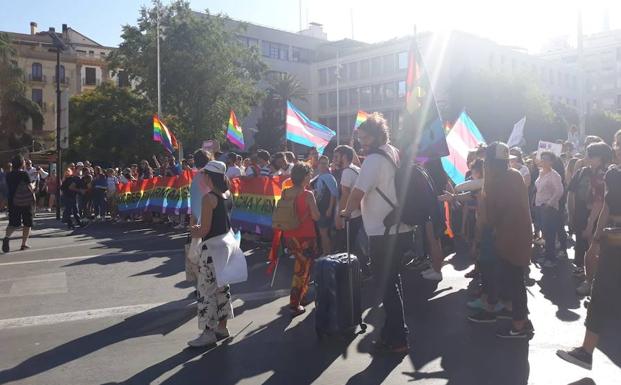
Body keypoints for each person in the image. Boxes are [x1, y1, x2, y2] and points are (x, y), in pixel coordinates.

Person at [342, 113, 414, 354]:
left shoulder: (373, 159)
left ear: (374, 136)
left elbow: (358, 191)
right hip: (400, 226)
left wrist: (345, 212)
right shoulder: (392, 151)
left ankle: (399, 337)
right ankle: (392, 332)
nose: (361, 141)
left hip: (383, 231)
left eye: (363, 137)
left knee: (386, 285)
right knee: (392, 281)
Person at [557, 165, 621, 370]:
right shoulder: (613, 174)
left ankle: (586, 352)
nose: (619, 149)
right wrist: (595, 239)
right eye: (617, 144)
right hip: (614, 240)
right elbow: (606, 207)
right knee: (600, 293)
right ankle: (586, 352)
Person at [469, 142, 534, 338]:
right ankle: (512, 313)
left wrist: (482, 201)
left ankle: (519, 325)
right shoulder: (514, 175)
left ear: (490, 163)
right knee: (514, 279)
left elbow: (489, 218)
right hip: (520, 236)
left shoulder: (497, 182)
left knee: (514, 280)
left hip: (508, 239)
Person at [188, 160, 234, 347]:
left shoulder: (209, 198)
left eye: (204, 174)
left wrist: (192, 228)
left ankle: (208, 332)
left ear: (209, 176)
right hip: (225, 246)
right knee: (223, 288)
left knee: (206, 290)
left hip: (211, 249)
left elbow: (204, 230)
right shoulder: (228, 194)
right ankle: (222, 327)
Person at [568, 142, 613, 295]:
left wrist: (590, 224)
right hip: (599, 217)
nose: (586, 157)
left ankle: (592, 285)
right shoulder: (597, 172)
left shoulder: (602, 174)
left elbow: (600, 202)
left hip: (601, 219)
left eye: (589, 154)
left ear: (599, 157)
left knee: (593, 252)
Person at [282, 162, 321, 316]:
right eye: (310, 174)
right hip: (306, 235)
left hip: (290, 235)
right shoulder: (308, 195)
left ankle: (301, 297)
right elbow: (316, 216)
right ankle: (295, 302)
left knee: (300, 267)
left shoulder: (286, 192)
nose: (311, 177)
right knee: (302, 270)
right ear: (305, 177)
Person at [333, 145, 365, 266]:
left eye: (336, 156)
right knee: (356, 246)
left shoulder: (346, 172)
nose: (334, 159)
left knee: (350, 248)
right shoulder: (355, 168)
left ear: (345, 157)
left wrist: (339, 216)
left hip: (351, 216)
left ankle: (356, 275)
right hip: (359, 213)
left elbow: (345, 195)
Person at [534, 151, 565, 267]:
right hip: (539, 206)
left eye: (546, 159)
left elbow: (559, 191)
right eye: (542, 159)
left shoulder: (554, 175)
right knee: (545, 233)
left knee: (550, 233)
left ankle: (551, 259)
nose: (543, 161)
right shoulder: (540, 173)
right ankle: (547, 255)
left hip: (549, 208)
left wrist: (549, 204)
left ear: (552, 161)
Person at [3, 155, 35, 252]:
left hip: (12, 201)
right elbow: (30, 187)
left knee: (13, 223)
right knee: (27, 222)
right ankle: (23, 244)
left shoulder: (8, 175)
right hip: (25, 201)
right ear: (21, 163)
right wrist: (34, 184)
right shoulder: (24, 174)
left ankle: (6, 237)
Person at [313, 155, 338, 255]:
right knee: (322, 232)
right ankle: (325, 252)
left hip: (325, 208)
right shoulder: (319, 176)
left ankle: (327, 254)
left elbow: (334, 194)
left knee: (324, 233)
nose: (322, 165)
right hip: (319, 208)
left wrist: (330, 208)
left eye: (325, 163)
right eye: (321, 163)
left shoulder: (329, 177)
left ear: (328, 165)